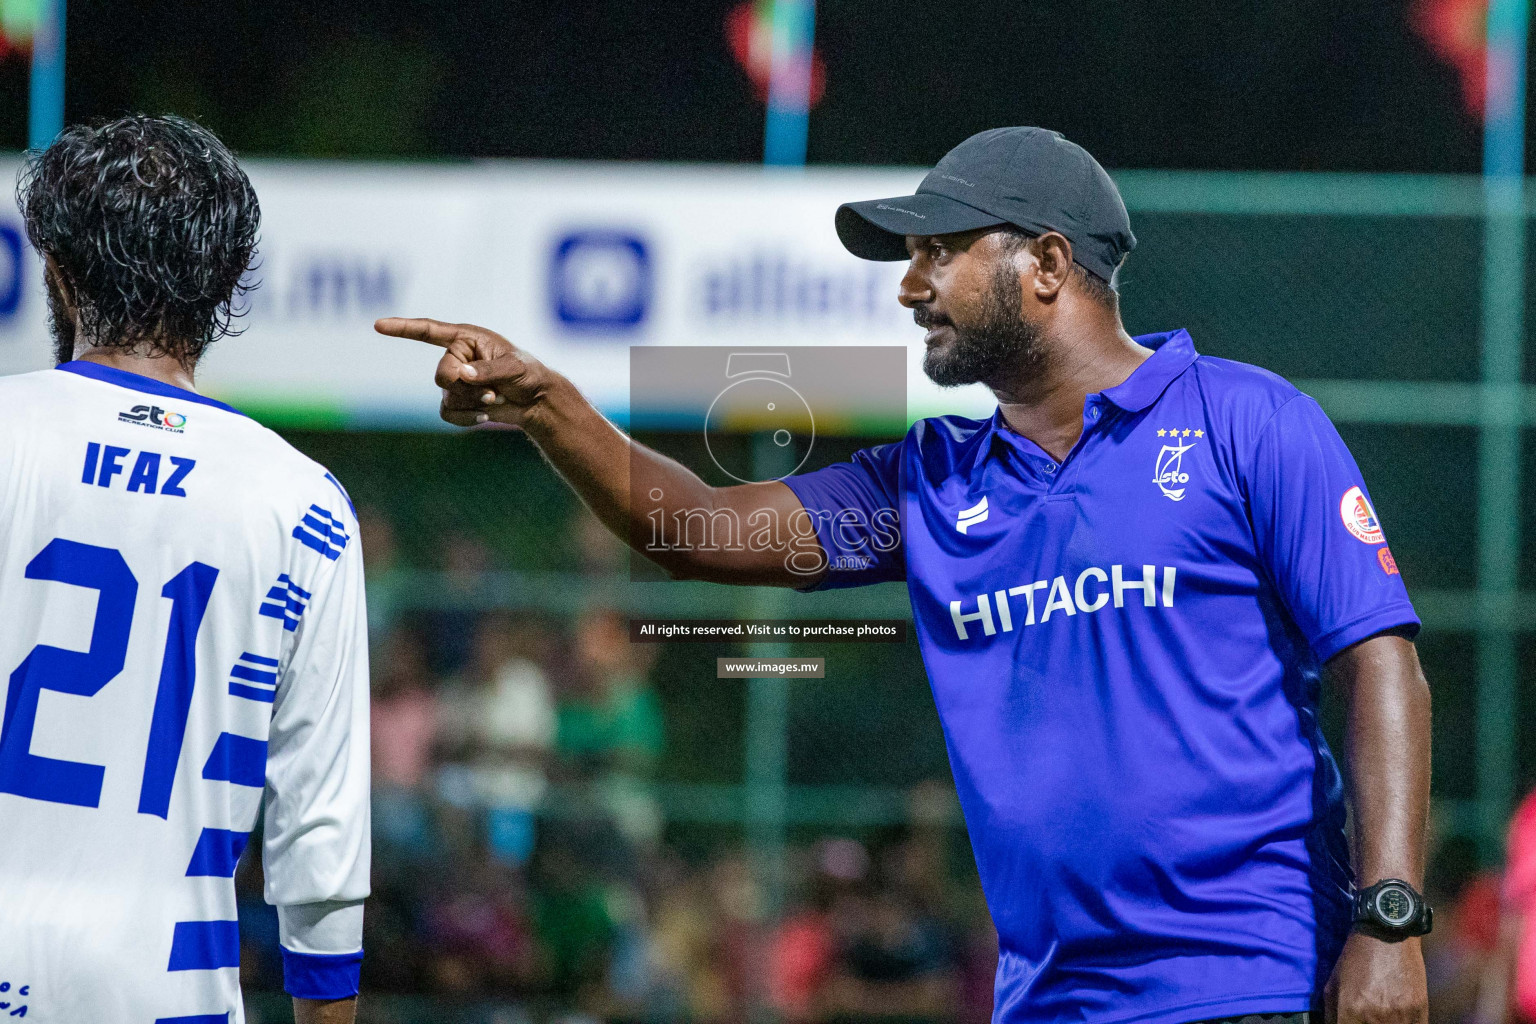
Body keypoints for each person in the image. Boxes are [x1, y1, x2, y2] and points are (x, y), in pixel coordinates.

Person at [375, 126, 1432, 1024]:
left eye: (939, 252)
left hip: (1252, 982)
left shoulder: (1247, 421)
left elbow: (1381, 664)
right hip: (1048, 998)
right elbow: (694, 527)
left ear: (1048, 265)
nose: (910, 285)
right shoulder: (929, 481)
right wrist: (550, 407)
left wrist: (1390, 918)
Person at [0, 115, 369, 1024]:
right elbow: (320, 850)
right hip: (169, 996)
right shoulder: (304, 503)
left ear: (57, 272)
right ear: (227, 288)